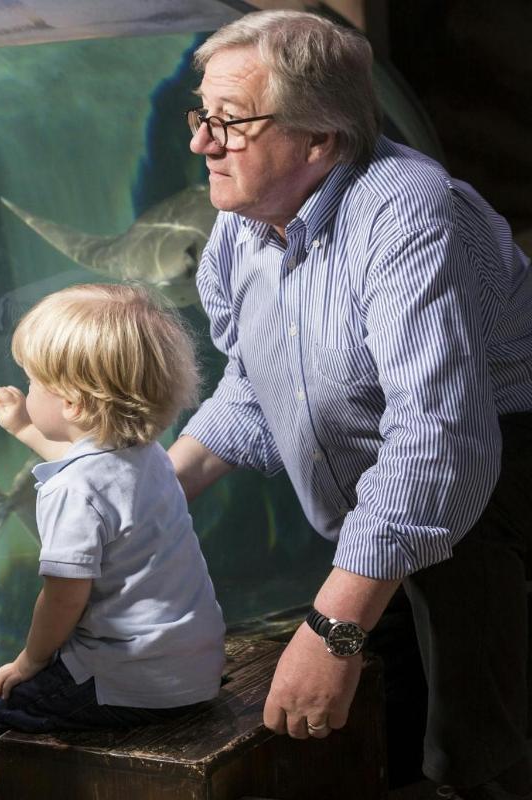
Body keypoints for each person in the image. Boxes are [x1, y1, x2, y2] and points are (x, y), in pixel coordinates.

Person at [167, 9, 532, 799]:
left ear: (320, 141)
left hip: (492, 471)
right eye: (201, 116)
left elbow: (440, 441)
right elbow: (255, 387)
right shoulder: (240, 231)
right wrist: (155, 490)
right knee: (381, 718)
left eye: (230, 122)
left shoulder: (410, 214)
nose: (202, 142)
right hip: (391, 498)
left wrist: (331, 630)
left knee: (476, 749)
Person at [0, 283, 226, 797]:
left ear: (73, 403)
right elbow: (88, 460)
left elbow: (64, 599)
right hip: (196, 669)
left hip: (131, 683)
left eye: (33, 382)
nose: (25, 390)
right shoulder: (149, 455)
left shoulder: (72, 492)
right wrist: (24, 427)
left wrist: (29, 662)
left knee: (13, 705)